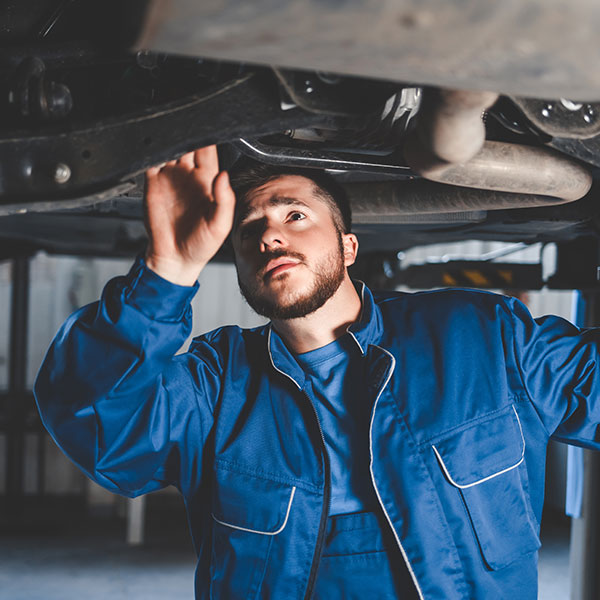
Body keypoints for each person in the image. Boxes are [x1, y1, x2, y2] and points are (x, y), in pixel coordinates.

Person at [35, 145, 600, 600]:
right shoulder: (215, 384)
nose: (269, 236)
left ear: (348, 246)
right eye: (249, 227)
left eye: (294, 215)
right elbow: (96, 422)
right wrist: (168, 271)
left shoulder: (482, 338)